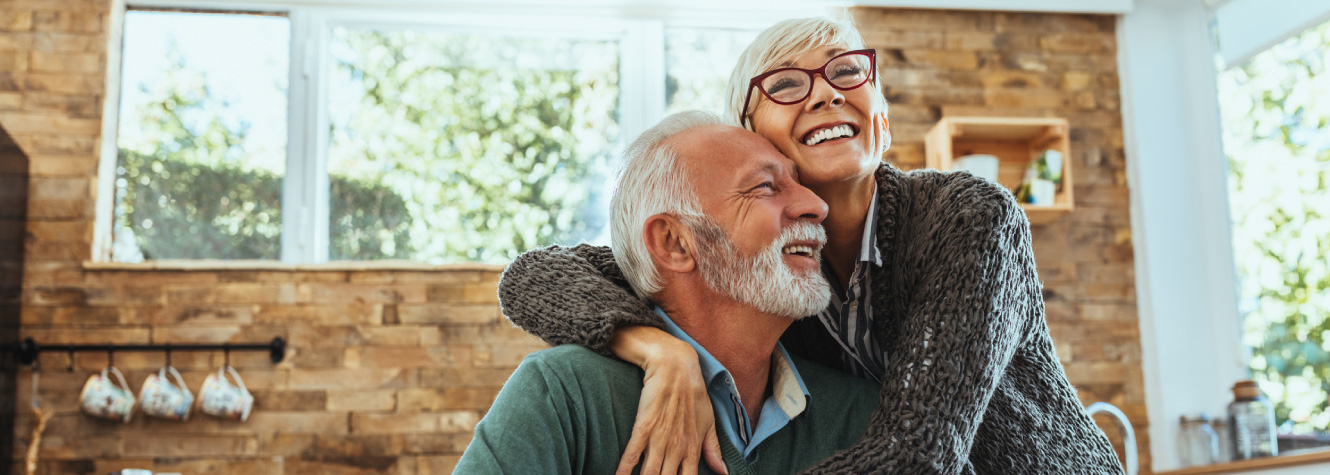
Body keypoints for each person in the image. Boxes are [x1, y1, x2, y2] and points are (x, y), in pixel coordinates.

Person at [499, 17, 1125, 475]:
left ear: (880, 114)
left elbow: (918, 456)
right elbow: (535, 277)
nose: (827, 92)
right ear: (749, 135)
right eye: (789, 84)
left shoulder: (969, 219)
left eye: (847, 71)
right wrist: (660, 350)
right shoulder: (765, 264)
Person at [456, 111, 881, 475]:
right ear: (675, 243)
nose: (816, 205)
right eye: (765, 187)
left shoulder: (860, 417)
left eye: (798, 182)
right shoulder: (566, 395)